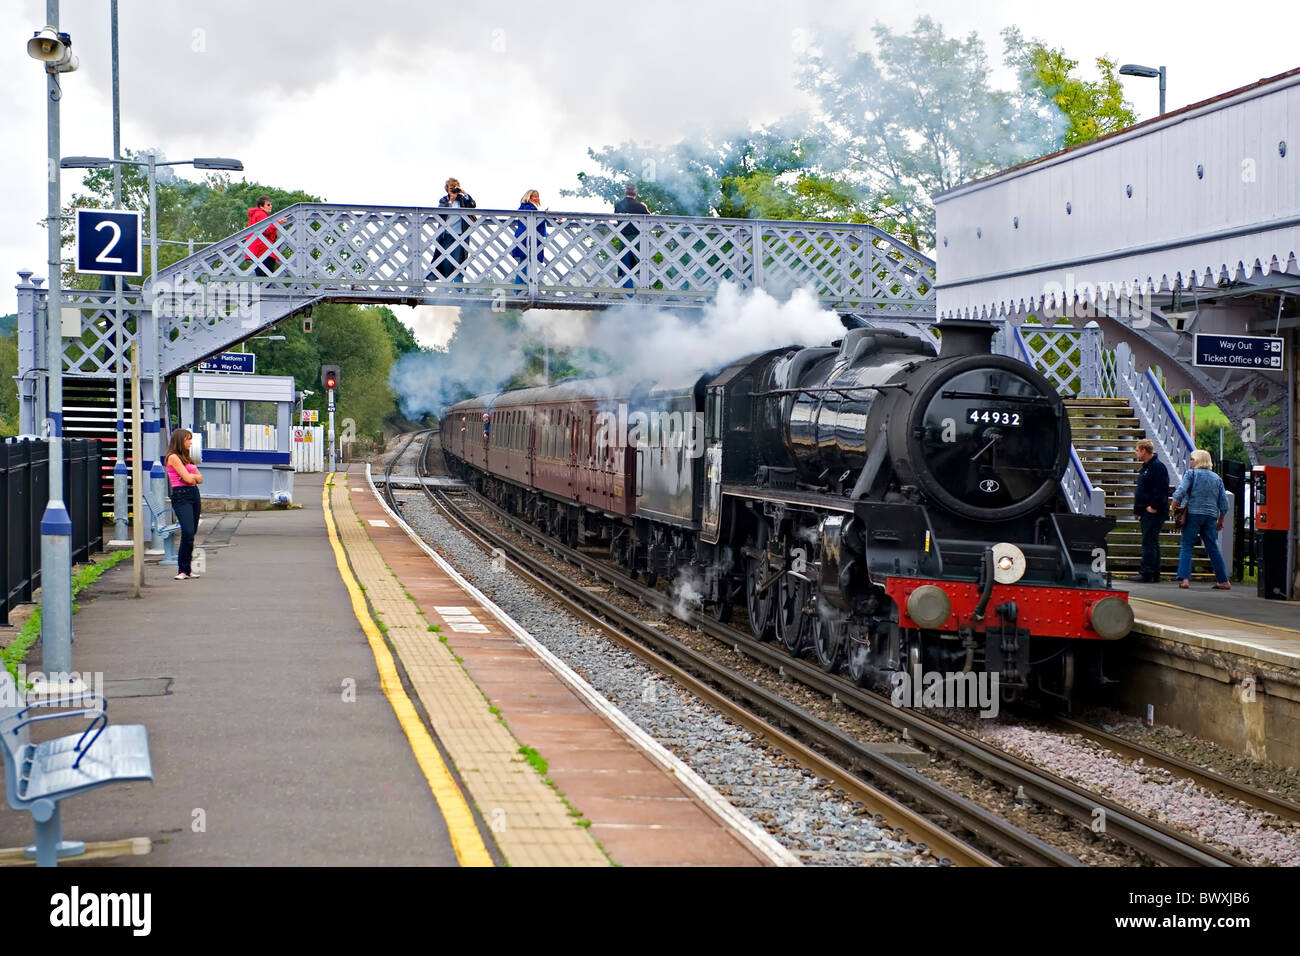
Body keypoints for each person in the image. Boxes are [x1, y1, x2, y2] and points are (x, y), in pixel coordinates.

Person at [1171, 449, 1231, 590]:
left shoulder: (1191, 474)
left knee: (1187, 545)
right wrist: (1221, 521)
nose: (1190, 461)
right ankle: (1223, 580)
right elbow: (1224, 504)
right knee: (1213, 547)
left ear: (1198, 461)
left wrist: (1174, 505)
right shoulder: (1217, 478)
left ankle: (1185, 579)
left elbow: (1181, 491)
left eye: (1192, 459)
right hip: (1210, 516)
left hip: (1192, 513)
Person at [164, 428, 203, 581]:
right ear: (180, 441)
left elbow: (200, 479)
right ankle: (182, 570)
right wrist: (192, 477)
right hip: (181, 496)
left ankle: (188, 569)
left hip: (194, 494)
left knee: (191, 532)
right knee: (187, 531)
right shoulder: (172, 457)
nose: (190, 442)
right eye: (187, 439)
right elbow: (188, 478)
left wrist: (192, 477)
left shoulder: (187, 457)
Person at [1130, 439, 1169, 582]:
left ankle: (1147, 572)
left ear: (1143, 451)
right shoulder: (1146, 467)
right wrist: (1140, 511)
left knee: (1149, 542)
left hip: (1153, 511)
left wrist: (1153, 506)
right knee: (1152, 541)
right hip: (1146, 511)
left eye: (1137, 450)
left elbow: (1161, 489)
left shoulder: (1157, 467)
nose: (1136, 452)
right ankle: (1154, 572)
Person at [430, 177, 477, 281]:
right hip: (446, 234)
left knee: (459, 260)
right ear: (447, 189)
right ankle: (446, 285)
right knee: (446, 260)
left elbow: (473, 205)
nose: (454, 190)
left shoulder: (463, 200)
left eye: (455, 188)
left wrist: (464, 193)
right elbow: (441, 213)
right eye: (451, 188)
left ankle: (458, 286)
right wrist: (450, 201)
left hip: (461, 234)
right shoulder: (444, 200)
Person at [613, 183, 650, 288]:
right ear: (636, 193)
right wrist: (646, 208)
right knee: (643, 265)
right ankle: (646, 289)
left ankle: (628, 295)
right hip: (637, 239)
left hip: (623, 239)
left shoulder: (618, 205)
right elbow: (650, 220)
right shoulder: (640, 206)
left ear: (626, 192)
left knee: (626, 267)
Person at [511, 189, 547, 283]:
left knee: (525, 264)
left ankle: (521, 289)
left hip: (526, 238)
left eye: (537, 196)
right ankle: (519, 290)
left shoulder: (526, 207)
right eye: (534, 196)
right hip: (526, 238)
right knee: (525, 264)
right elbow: (537, 219)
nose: (536, 198)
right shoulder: (527, 208)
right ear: (529, 197)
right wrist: (551, 217)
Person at [245, 196, 284, 276]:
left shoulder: (257, 214)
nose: (271, 206)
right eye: (268, 205)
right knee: (266, 276)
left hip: (257, 248)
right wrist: (278, 222)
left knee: (262, 276)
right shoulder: (261, 214)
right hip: (262, 249)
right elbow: (266, 230)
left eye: (271, 204)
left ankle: (263, 288)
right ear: (261, 206)